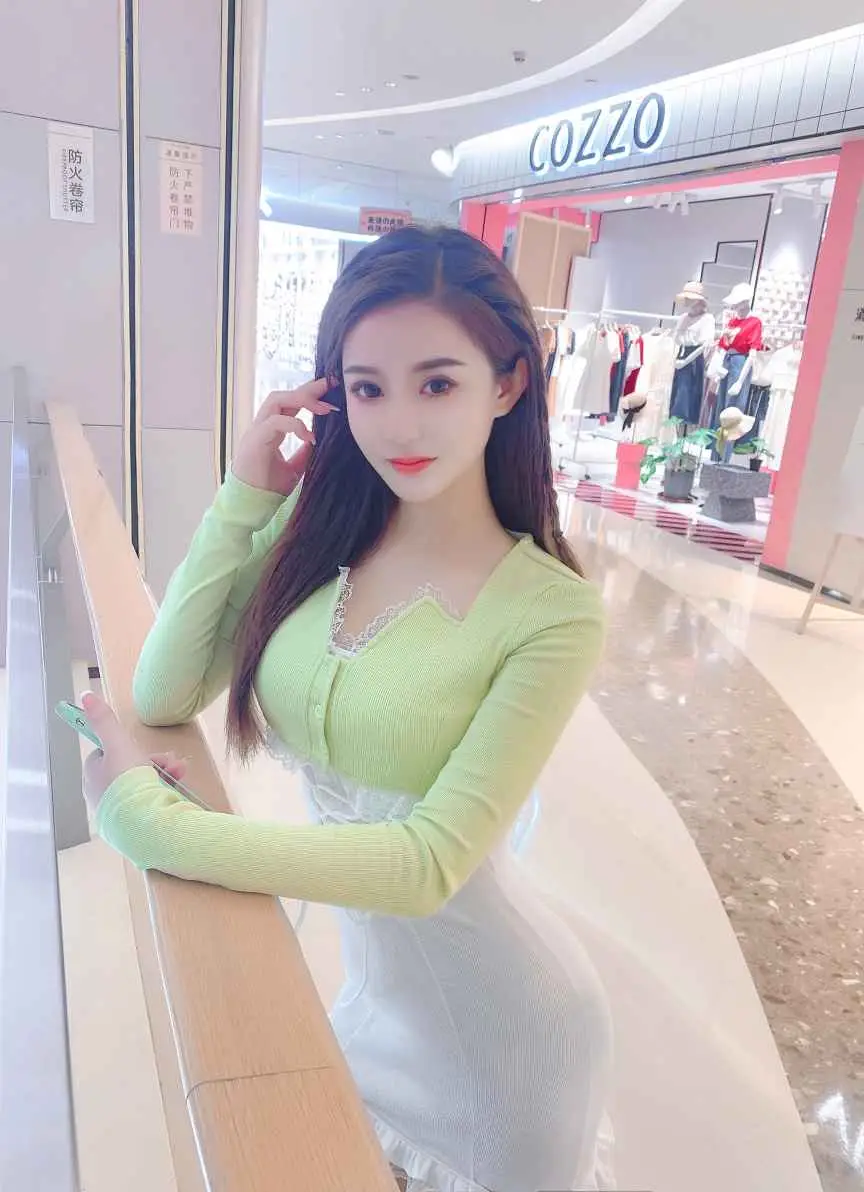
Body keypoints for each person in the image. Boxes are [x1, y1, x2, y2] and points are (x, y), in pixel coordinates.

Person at [81, 225, 614, 1192]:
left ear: (508, 385)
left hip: (512, 1033)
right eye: (367, 389)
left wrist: (158, 829)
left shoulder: (552, 613)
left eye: (437, 384)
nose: (399, 426)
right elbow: (164, 690)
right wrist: (245, 495)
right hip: (372, 1001)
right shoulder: (318, 530)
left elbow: (427, 866)